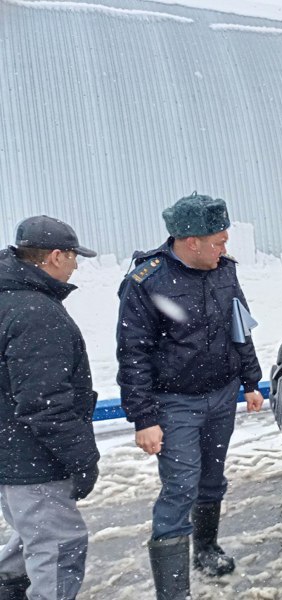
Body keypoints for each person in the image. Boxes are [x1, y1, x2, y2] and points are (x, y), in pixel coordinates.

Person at [116, 193, 264, 600]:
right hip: (175, 403)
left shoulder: (224, 272)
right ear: (190, 241)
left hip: (221, 395)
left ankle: (207, 548)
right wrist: (143, 418)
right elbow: (133, 355)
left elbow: (241, 326)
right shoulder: (147, 282)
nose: (224, 249)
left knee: (211, 480)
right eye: (217, 241)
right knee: (180, 488)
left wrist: (251, 381)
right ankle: (173, 591)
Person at [0, 216, 100, 600]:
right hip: (34, 459)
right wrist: (82, 459)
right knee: (59, 546)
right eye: (74, 256)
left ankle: (9, 587)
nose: (75, 265)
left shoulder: (9, 299)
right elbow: (45, 404)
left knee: (31, 537)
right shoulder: (37, 313)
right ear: (56, 256)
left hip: (12, 454)